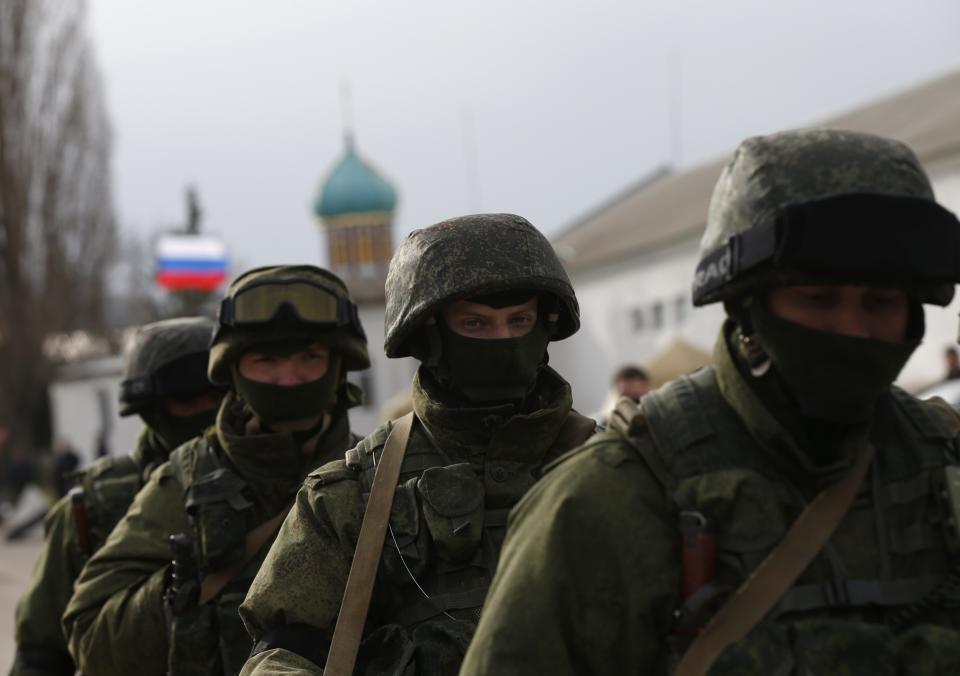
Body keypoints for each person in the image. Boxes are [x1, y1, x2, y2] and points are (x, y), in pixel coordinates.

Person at [461, 130, 960, 675]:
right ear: (749, 306)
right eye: (818, 299)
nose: (852, 328)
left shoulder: (944, 462)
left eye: (881, 302)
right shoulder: (612, 494)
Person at [238, 214, 596, 675]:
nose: (503, 340)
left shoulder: (608, 466)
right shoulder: (355, 494)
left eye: (519, 320)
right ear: (429, 333)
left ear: (545, 325)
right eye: (475, 323)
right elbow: (280, 650)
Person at [62, 265, 370, 676]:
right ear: (234, 373)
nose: (288, 378)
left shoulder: (376, 473)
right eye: (266, 360)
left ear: (337, 367)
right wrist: (177, 594)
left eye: (309, 358)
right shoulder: (188, 477)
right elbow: (89, 636)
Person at [12, 317, 223, 676]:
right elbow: (41, 652)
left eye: (216, 398)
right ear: (152, 407)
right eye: (188, 401)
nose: (207, 413)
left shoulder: (269, 477)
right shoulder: (98, 502)